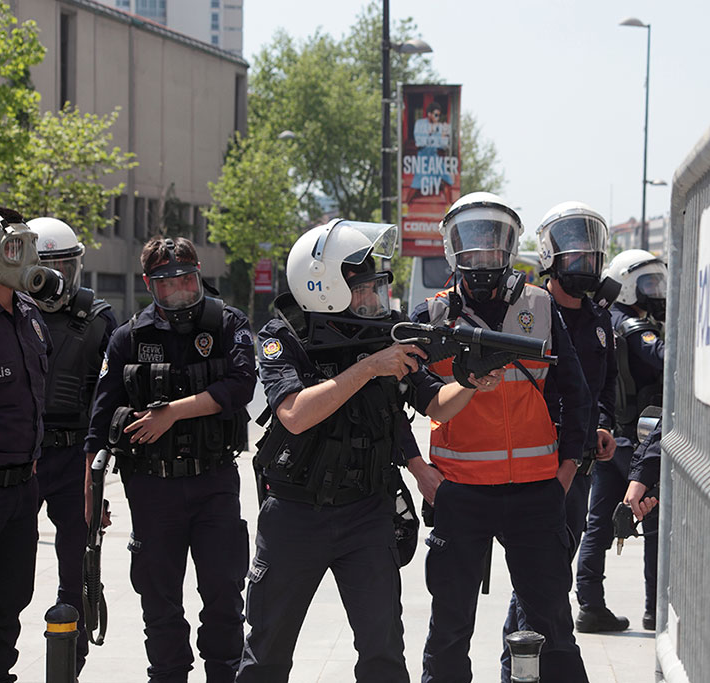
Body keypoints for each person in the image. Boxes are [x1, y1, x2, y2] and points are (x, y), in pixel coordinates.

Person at [237, 218, 502, 682]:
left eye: (377, 287)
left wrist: (470, 382)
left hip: (367, 512)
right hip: (296, 514)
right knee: (266, 656)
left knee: (383, 656)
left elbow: (434, 400)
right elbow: (295, 414)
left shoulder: (385, 335)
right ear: (325, 287)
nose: (374, 300)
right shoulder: (283, 336)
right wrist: (368, 368)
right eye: (363, 289)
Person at [411, 192, 592, 683]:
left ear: (510, 245)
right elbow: (396, 397)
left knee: (554, 624)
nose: (483, 253)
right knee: (449, 629)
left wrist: (566, 472)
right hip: (460, 491)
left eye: (494, 240)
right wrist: (421, 472)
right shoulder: (430, 316)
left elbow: (578, 395)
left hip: (536, 493)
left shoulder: (540, 305)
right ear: (452, 247)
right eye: (472, 240)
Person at [85, 236, 255, 683]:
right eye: (166, 283)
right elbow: (99, 421)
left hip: (213, 483)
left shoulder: (227, 324)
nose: (178, 289)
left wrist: (172, 413)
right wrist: (90, 497)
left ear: (199, 274)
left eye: (186, 278)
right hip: (152, 489)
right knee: (159, 603)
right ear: (149, 285)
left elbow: (240, 388)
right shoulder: (129, 337)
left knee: (223, 594)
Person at [502, 201, 617, 661]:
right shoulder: (531, 309)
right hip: (539, 463)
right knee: (541, 576)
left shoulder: (599, 318)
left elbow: (603, 386)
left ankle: (528, 662)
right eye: (575, 256)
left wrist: (603, 425)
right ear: (551, 256)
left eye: (591, 257)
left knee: (552, 574)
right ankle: (520, 666)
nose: (584, 264)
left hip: (581, 464)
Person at [0, 208, 60, 681]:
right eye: (12, 248)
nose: (24, 258)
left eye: (28, 246)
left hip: (22, 495)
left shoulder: (29, 315)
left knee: (5, 619)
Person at [27, 216, 117, 672]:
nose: (59, 277)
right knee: (5, 569)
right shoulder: (6, 315)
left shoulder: (98, 319)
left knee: (77, 572)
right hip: (19, 459)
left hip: (75, 460)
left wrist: (98, 478)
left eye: (68, 264)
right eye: (50, 266)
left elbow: (112, 400)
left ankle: (69, 664)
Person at [575, 249, 666, 633]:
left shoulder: (604, 320)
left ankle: (590, 605)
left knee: (597, 522)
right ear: (627, 283)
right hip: (637, 440)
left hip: (611, 436)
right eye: (647, 282)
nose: (655, 291)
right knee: (652, 522)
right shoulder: (630, 325)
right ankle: (654, 608)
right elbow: (665, 356)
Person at [406, 101, 454, 205]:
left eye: (439, 115)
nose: (437, 117)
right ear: (429, 114)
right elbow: (419, 142)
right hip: (423, 155)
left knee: (447, 179)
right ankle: (406, 204)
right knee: (417, 181)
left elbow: (443, 145)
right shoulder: (420, 124)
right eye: (436, 115)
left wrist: (443, 135)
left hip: (434, 155)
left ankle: (449, 208)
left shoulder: (440, 126)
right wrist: (431, 133)